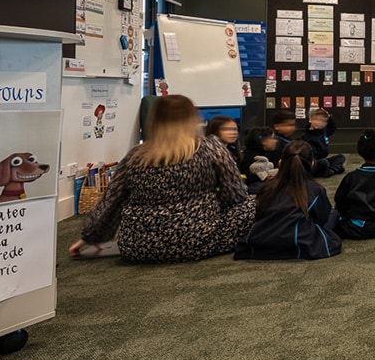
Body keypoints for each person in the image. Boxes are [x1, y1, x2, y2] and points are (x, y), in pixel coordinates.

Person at [68, 95, 256, 264]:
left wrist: (89, 238)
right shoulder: (210, 148)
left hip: (136, 246)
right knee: (256, 202)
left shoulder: (136, 155)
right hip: (195, 240)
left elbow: (111, 200)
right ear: (192, 119)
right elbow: (235, 195)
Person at [234, 142, 341, 261]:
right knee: (334, 214)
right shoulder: (316, 190)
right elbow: (321, 219)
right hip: (299, 243)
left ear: (280, 163)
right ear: (312, 164)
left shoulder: (266, 187)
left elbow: (259, 215)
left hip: (263, 242)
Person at [302, 108, 346, 178]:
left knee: (341, 157)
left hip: (324, 158)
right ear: (310, 120)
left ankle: (331, 170)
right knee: (324, 162)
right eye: (317, 120)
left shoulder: (323, 132)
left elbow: (333, 127)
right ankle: (334, 168)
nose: (320, 123)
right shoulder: (306, 136)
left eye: (323, 121)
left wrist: (329, 116)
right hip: (315, 162)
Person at [240, 127, 278, 194]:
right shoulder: (254, 158)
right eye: (272, 138)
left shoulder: (265, 154)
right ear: (263, 142)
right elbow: (245, 177)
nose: (276, 141)